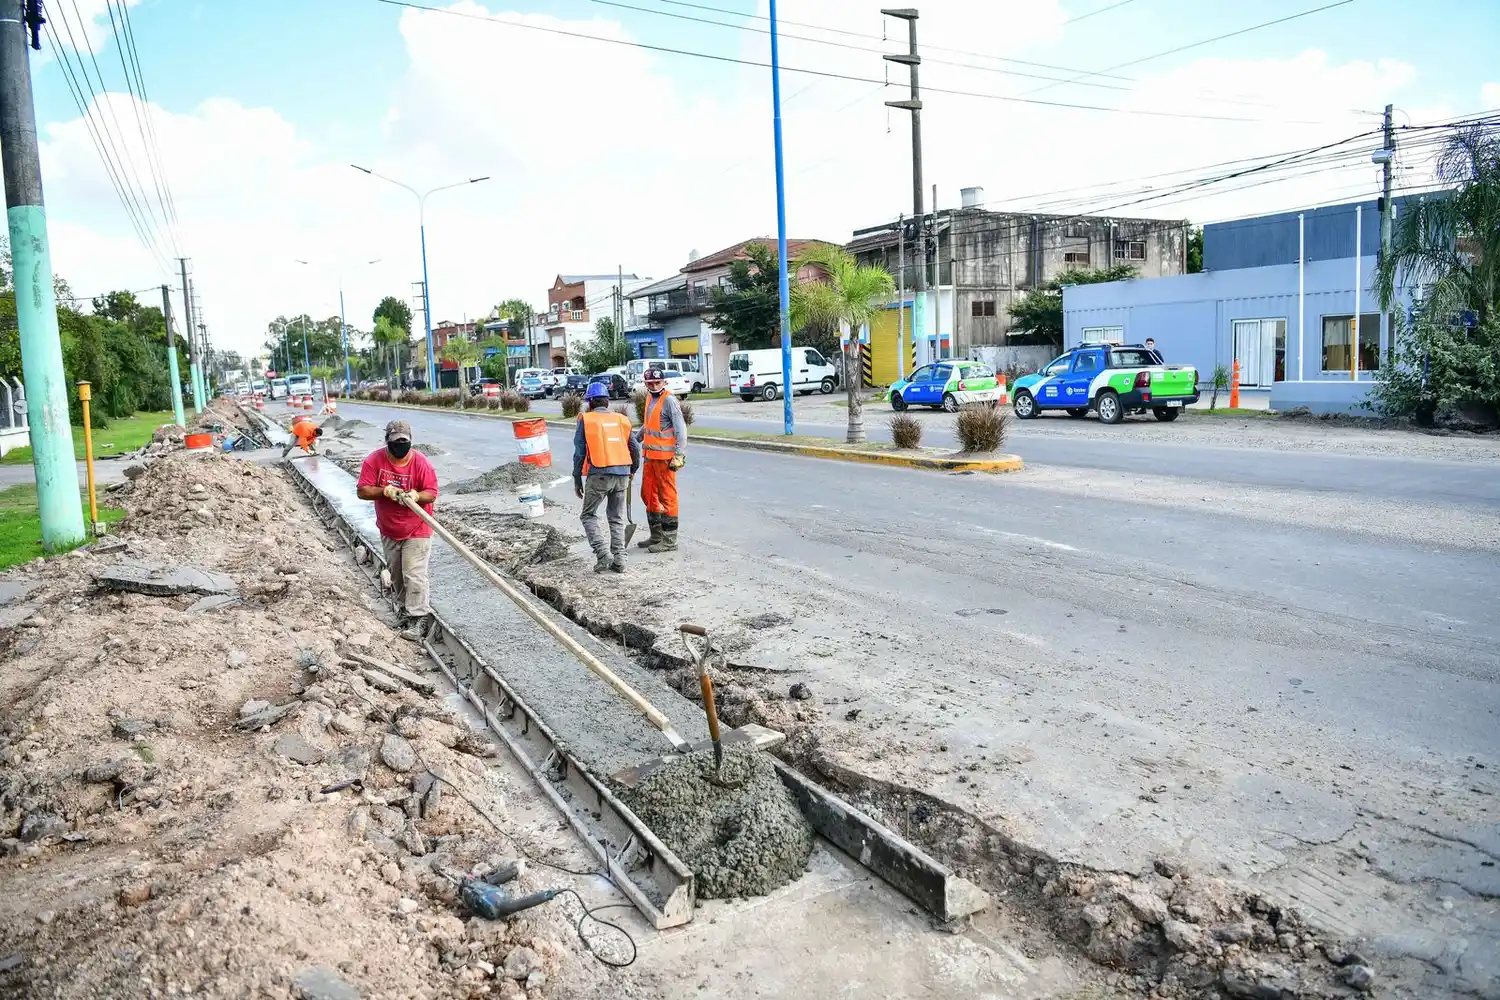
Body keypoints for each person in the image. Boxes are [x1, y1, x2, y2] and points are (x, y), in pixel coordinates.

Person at [356, 420, 439, 638]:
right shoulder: (375, 460)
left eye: (404, 441)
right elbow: (362, 491)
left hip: (417, 527)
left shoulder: (421, 463)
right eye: (396, 442)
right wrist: (385, 491)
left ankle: (419, 619)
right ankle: (404, 612)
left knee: (414, 574)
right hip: (389, 528)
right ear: (387, 441)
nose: (400, 446)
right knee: (397, 575)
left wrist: (416, 495)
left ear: (410, 441)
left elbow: (431, 492)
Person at [573, 382, 640, 573]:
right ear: (607, 401)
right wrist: (633, 469)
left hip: (599, 474)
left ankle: (603, 556)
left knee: (588, 515)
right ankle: (620, 560)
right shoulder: (622, 420)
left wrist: (577, 478)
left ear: (590, 402)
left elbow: (579, 453)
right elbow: (635, 448)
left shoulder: (586, 420)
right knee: (616, 517)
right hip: (622, 474)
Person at [634, 367, 687, 553]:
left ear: (664, 382)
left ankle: (670, 541)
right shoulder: (650, 398)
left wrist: (679, 454)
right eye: (650, 383)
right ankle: (656, 536)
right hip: (650, 457)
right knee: (648, 495)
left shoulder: (670, 400)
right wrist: (634, 439)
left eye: (657, 382)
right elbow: (648, 425)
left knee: (668, 497)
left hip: (665, 459)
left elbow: (681, 429)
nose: (654, 386)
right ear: (646, 384)